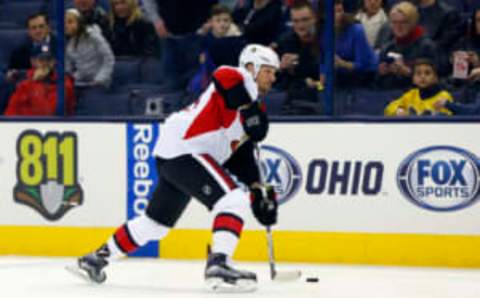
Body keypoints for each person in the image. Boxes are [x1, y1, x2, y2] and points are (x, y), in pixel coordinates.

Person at [71, 44, 280, 292]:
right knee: (233, 200)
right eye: (268, 70)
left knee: (155, 225)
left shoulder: (253, 106)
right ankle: (219, 265)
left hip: (174, 154)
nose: (273, 77)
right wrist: (249, 108)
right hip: (185, 150)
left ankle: (96, 259)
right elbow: (223, 79)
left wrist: (256, 187)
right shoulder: (235, 77)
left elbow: (240, 153)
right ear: (250, 68)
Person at [272, 0, 321, 114]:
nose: (300, 25)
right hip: (294, 97)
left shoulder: (325, 39)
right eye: (296, 21)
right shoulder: (286, 41)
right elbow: (277, 79)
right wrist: (281, 67)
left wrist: (297, 67)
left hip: (322, 91)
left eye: (305, 20)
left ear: (314, 18)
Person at [376, 1, 437, 90]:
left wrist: (409, 73)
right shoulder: (387, 47)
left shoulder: (426, 46)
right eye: (394, 22)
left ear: (413, 23)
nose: (398, 27)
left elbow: (435, 81)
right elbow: (376, 84)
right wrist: (381, 73)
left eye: (403, 22)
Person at [4, 46, 76, 116]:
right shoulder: (22, 81)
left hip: (54, 125)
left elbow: (48, 111)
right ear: (33, 61)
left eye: (49, 60)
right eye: (41, 60)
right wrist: (33, 81)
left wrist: (36, 82)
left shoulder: (63, 82)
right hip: (24, 124)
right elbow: (11, 111)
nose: (45, 63)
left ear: (54, 61)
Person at [384, 58, 453, 116]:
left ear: (435, 78)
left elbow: (448, 115)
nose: (422, 76)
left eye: (427, 73)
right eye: (418, 73)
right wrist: (399, 111)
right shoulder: (411, 95)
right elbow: (389, 109)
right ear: (413, 79)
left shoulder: (444, 96)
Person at [65, 9, 115, 88]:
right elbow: (68, 68)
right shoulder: (70, 44)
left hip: (101, 84)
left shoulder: (93, 36)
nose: (66, 26)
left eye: (70, 22)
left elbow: (109, 58)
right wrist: (70, 79)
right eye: (64, 23)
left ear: (79, 22)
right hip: (82, 82)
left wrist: (99, 79)